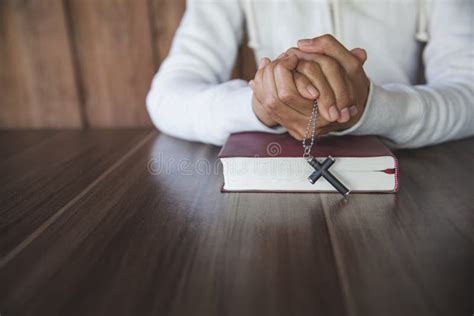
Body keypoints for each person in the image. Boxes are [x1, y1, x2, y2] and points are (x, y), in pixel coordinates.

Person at [146, 0, 473, 148]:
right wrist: (262, 105)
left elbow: (468, 89)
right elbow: (167, 96)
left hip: (413, 178)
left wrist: (373, 108)